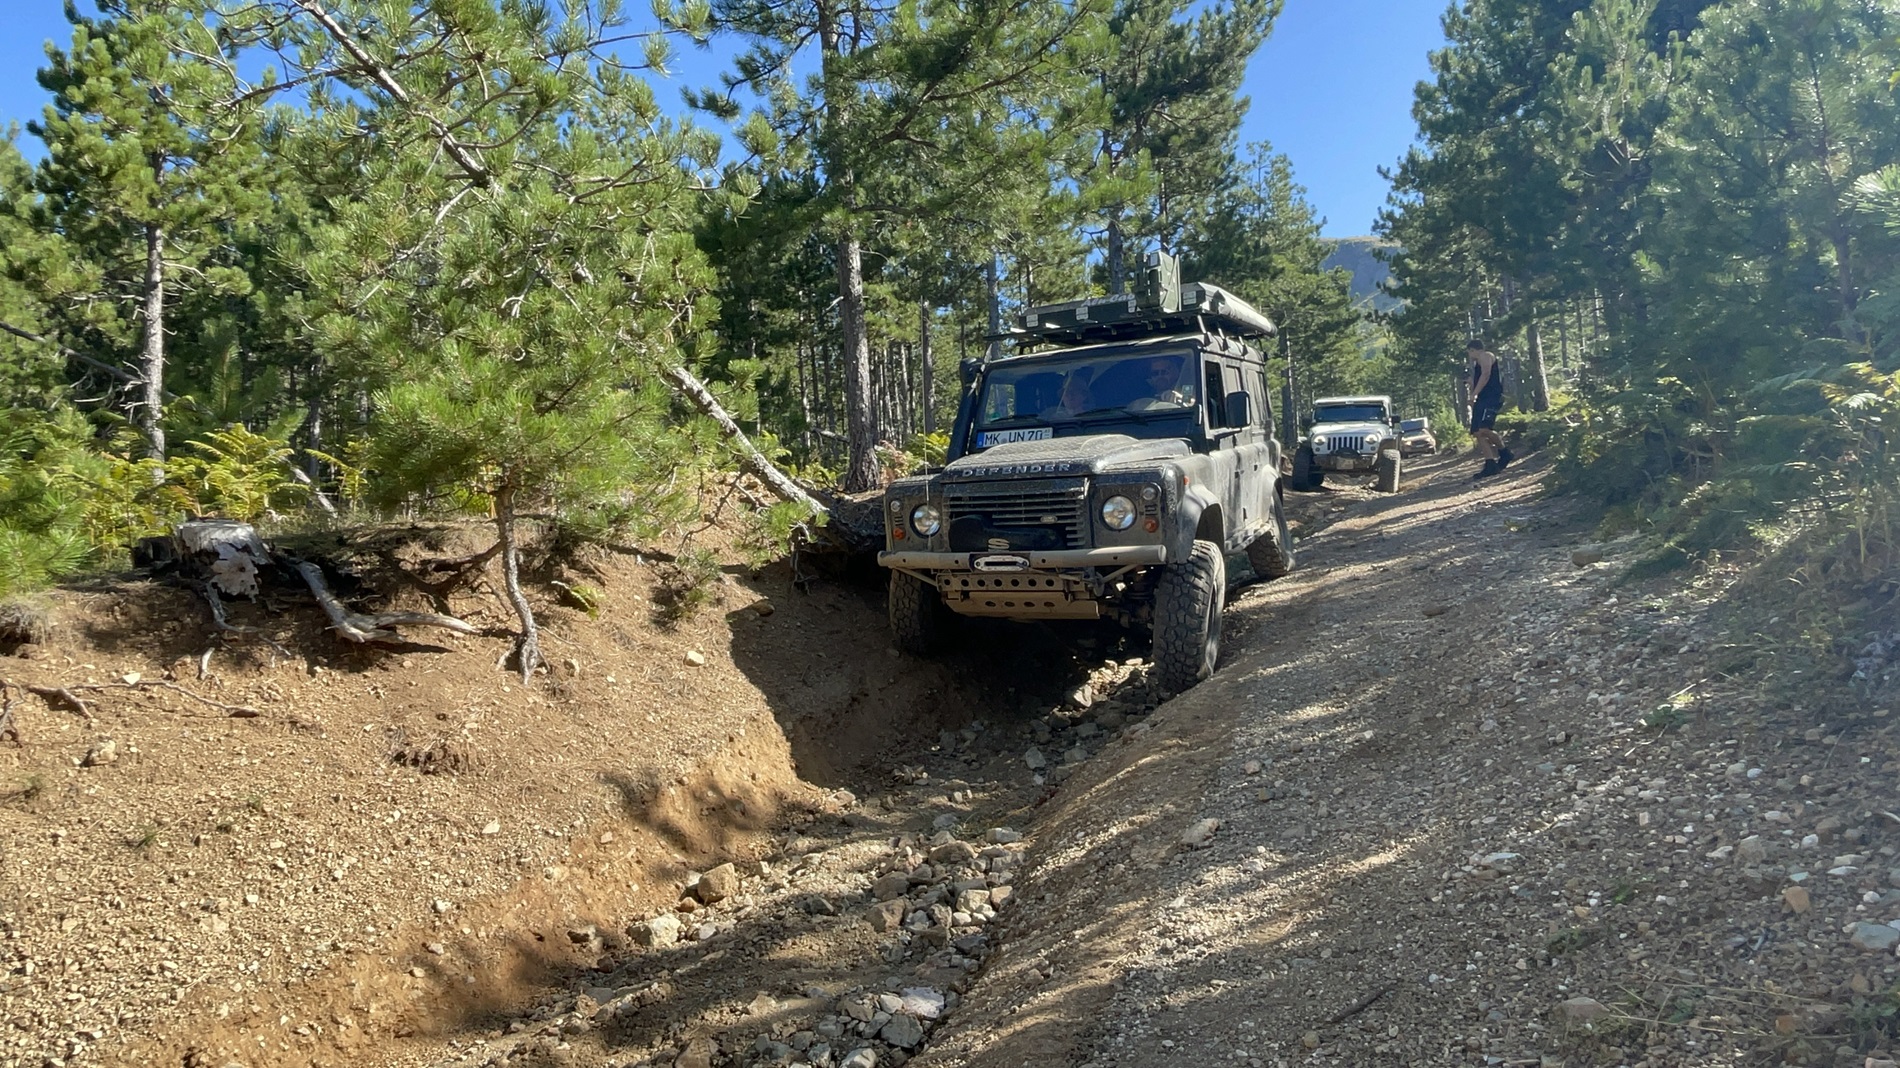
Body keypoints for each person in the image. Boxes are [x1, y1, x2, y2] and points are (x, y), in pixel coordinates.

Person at [1466, 339, 1513, 478]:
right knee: (1477, 432)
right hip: (1482, 398)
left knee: (1484, 429)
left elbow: (1486, 375)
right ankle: (1490, 464)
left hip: (1492, 397)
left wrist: (1474, 394)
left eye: (1469, 352)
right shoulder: (1477, 363)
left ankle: (1505, 453)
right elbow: (1480, 380)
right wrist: (1471, 386)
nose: (1469, 355)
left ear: (1473, 350)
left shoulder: (1486, 356)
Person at [1127, 356, 1192, 411]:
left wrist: (1179, 397)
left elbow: (1191, 402)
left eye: (1164, 372)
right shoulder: (1143, 393)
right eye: (1155, 373)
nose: (1160, 376)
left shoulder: (1186, 388)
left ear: (1176, 372)